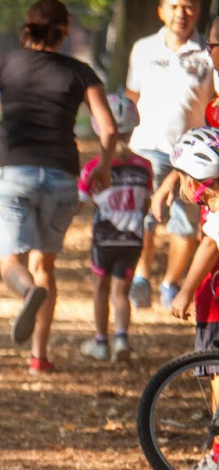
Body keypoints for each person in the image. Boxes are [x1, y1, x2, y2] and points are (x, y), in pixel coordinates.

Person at [0, 0, 118, 375]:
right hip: (62, 179)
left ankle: (27, 292)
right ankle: (39, 356)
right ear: (65, 29)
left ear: (28, 26)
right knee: (46, 264)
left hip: (13, 175)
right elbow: (108, 128)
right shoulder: (80, 72)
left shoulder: (6, 63)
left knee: (12, 261)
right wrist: (104, 166)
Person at [127, 0, 215, 310]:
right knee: (145, 217)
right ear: (161, 11)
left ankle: (170, 282)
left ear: (198, 12)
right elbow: (131, 97)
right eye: (175, 7)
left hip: (194, 156)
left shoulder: (208, 53)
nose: (182, 14)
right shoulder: (143, 49)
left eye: (188, 7)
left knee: (186, 223)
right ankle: (141, 276)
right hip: (147, 146)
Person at [76, 94, 153, 363]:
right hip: (133, 239)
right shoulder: (145, 167)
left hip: (104, 239)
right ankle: (122, 339)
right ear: (132, 131)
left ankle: (100, 342)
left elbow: (78, 203)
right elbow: (146, 204)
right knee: (121, 292)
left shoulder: (93, 168)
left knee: (101, 289)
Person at [162, 129, 219, 470]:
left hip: (216, 308)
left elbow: (210, 246)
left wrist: (184, 292)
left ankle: (218, 459)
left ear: (198, 181)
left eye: (183, 176)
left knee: (217, 379)